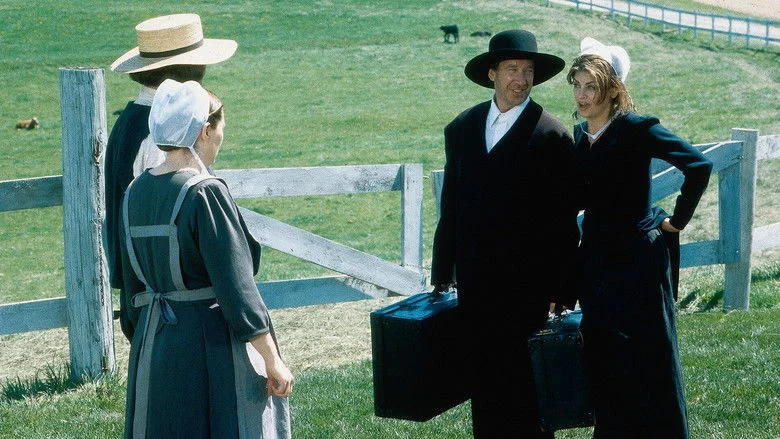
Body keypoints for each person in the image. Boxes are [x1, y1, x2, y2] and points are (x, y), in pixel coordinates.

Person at [119, 79, 293, 438]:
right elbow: (236, 287)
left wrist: (146, 341)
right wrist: (271, 358)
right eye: (221, 128)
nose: (221, 138)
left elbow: (132, 288)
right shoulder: (204, 193)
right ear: (204, 130)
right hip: (209, 343)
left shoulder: (135, 191)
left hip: (155, 341)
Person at [430, 29, 581, 438]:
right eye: (512, 69)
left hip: (528, 290)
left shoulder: (551, 135)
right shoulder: (462, 128)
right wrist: (442, 272)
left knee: (528, 396)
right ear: (492, 73)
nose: (521, 79)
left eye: (528, 71)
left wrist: (561, 289)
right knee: (486, 391)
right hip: (476, 286)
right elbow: (451, 206)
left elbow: (564, 222)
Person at [566, 37, 713, 438]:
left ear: (613, 89)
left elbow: (698, 166)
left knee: (651, 361)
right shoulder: (579, 136)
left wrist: (676, 221)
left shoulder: (635, 129)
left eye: (591, 86)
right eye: (577, 85)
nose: (582, 95)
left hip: (637, 264)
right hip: (596, 264)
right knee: (606, 362)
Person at [106, 13, 238, 340]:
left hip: (140, 281)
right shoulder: (162, 133)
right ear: (191, 70)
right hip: (167, 292)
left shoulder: (130, 120)